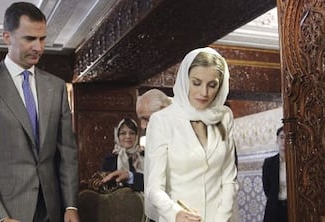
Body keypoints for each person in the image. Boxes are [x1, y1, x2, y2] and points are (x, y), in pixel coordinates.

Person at [0, 2, 79, 222]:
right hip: (6, 212)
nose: (39, 48)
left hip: (52, 211)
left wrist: (71, 205)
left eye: (42, 39)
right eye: (29, 39)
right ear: (7, 37)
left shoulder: (57, 87)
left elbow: (67, 155)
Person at [144, 47, 238, 222]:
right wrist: (175, 213)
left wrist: (220, 219)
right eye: (196, 83)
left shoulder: (224, 116)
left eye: (212, 85)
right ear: (184, 80)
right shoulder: (162, 120)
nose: (204, 92)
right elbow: (154, 188)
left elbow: (229, 179)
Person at [101, 118, 144, 191]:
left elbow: (149, 182)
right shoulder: (109, 159)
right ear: (117, 136)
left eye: (132, 133)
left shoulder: (143, 156)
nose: (128, 136)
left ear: (137, 136)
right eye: (123, 133)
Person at [262, 126, 287, 222]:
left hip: (292, 207)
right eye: (281, 137)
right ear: (277, 140)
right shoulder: (269, 163)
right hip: (274, 208)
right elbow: (267, 188)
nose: (284, 141)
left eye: (286, 137)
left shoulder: (295, 163)